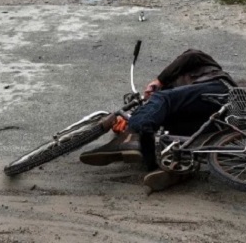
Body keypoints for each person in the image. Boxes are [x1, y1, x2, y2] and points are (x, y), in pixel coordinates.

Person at [80, 49, 236, 192]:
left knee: (158, 103)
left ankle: (133, 136)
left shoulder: (200, 63)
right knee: (164, 133)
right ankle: (169, 167)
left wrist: (159, 81)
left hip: (217, 91)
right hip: (207, 118)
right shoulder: (176, 92)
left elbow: (191, 55)